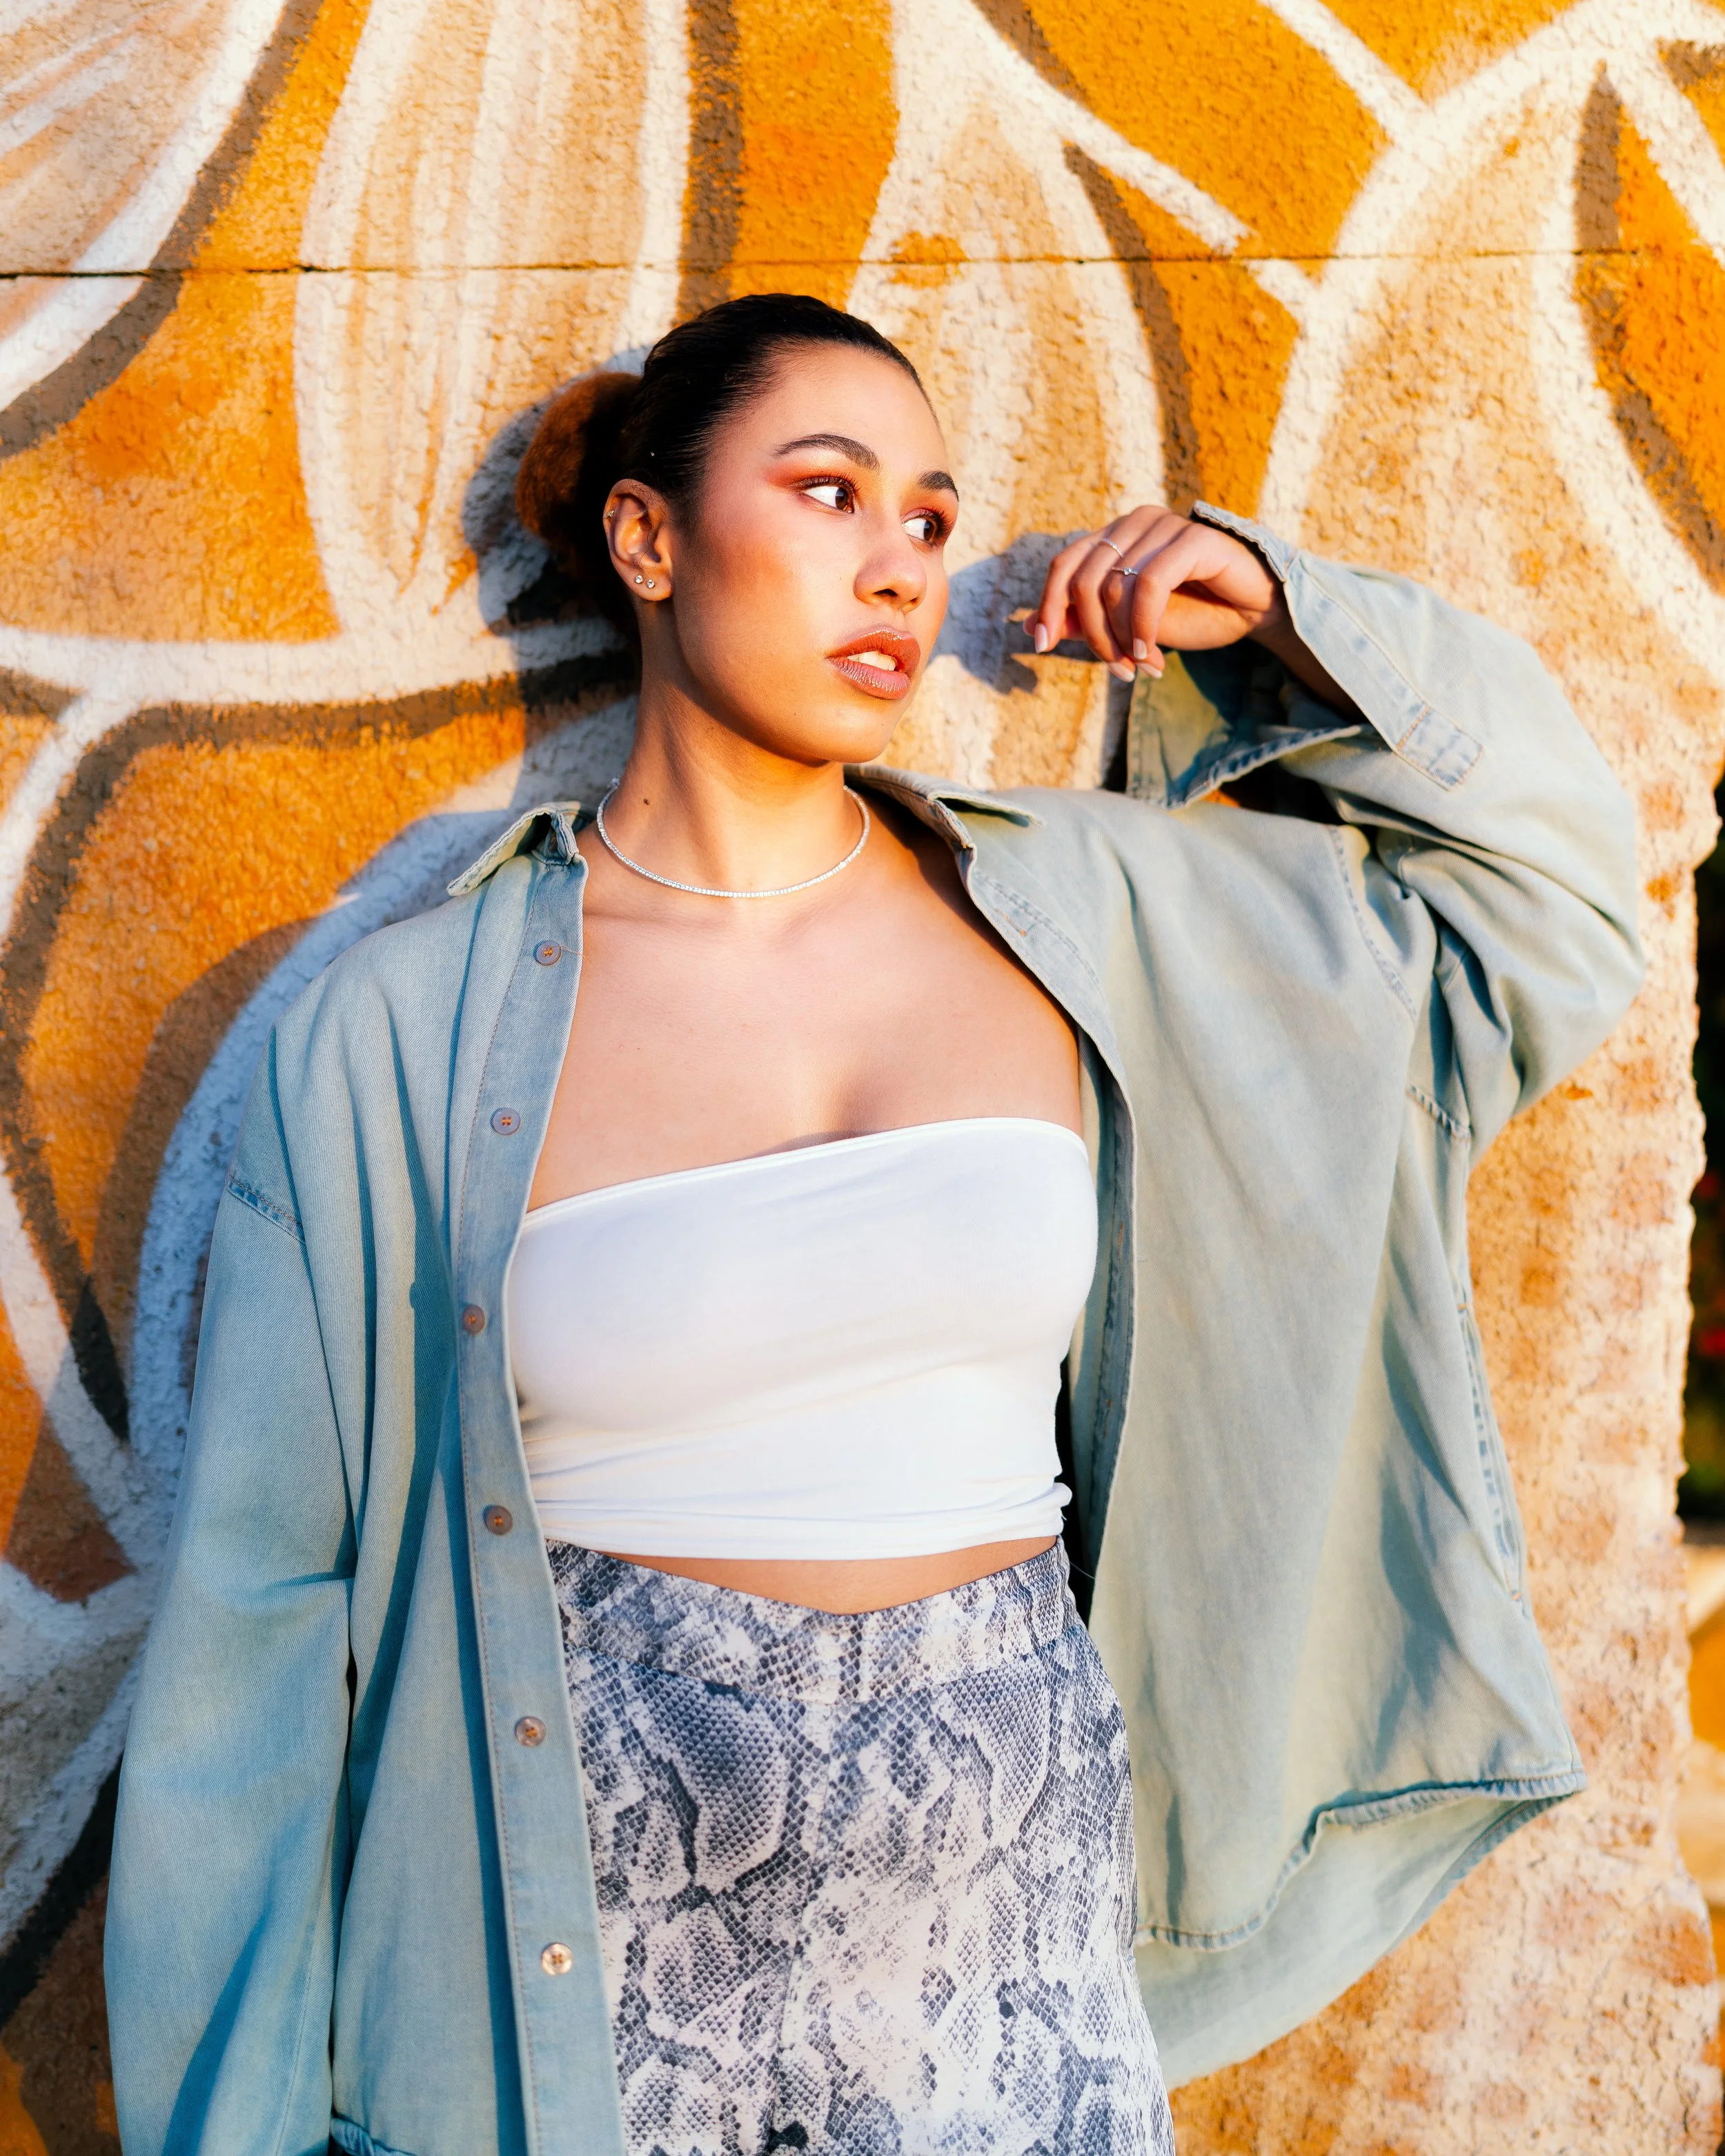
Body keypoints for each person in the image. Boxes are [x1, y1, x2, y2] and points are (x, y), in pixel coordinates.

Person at [105, 294, 1643, 2156]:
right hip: (576, 1995)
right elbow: (257, 1634)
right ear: (648, 538)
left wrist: (1278, 604)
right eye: (826, 492)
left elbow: (1544, 901)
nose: (896, 565)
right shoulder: (399, 1031)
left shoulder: (1088, 927)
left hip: (1009, 1983)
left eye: (927, 516)